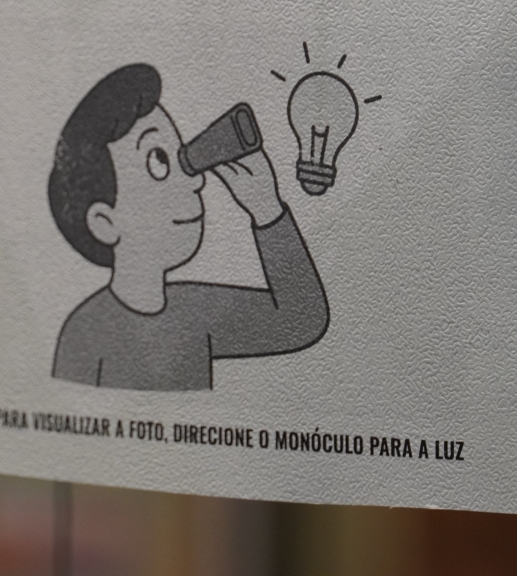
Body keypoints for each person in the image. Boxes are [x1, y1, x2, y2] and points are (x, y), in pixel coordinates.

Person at [48, 64, 329, 391]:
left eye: (181, 154)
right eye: (159, 162)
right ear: (105, 222)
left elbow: (300, 318)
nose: (196, 180)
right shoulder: (85, 333)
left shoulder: (194, 311)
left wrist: (266, 209)